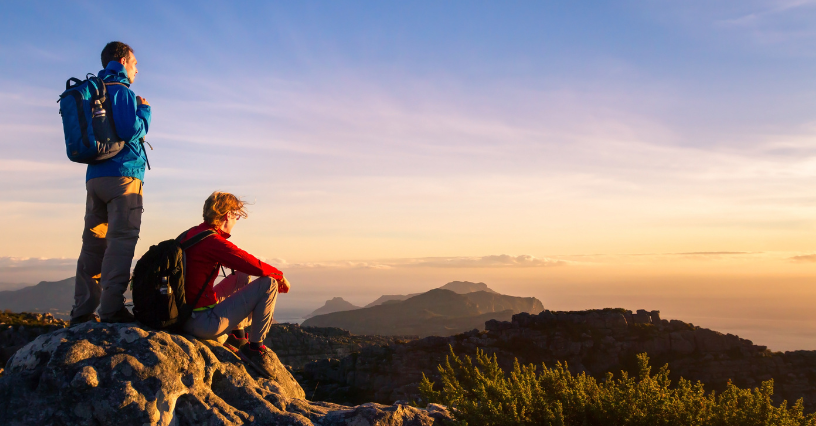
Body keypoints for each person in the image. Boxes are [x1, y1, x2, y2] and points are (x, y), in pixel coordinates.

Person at [71, 41, 151, 325]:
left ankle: (82, 311)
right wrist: (144, 111)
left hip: (95, 178)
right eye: (135, 63)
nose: (137, 69)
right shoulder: (120, 91)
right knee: (120, 242)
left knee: (92, 244)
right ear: (124, 60)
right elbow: (131, 130)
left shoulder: (92, 92)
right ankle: (112, 309)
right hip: (123, 177)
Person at [181, 191, 291, 378]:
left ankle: (237, 336)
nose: (236, 221)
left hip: (185, 314)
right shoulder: (212, 240)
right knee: (269, 283)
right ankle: (255, 349)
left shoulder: (192, 233)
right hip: (201, 323)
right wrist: (279, 276)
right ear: (227, 215)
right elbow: (249, 262)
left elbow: (244, 268)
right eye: (236, 216)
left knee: (241, 277)